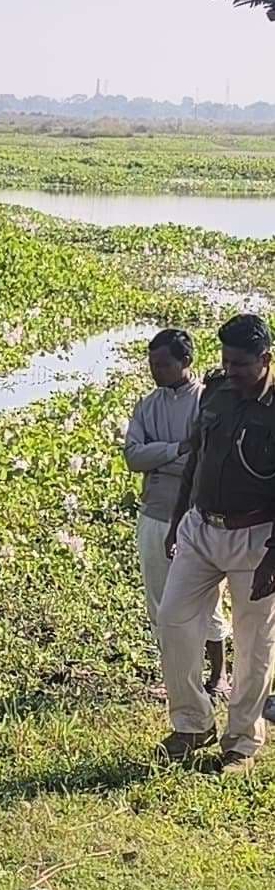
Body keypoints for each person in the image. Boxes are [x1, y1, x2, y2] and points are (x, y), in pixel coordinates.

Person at [159, 313, 275, 771]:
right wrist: (176, 520)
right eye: (226, 362)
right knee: (173, 619)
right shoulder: (216, 392)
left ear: (266, 360)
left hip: (258, 537)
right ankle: (192, 723)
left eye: (242, 364)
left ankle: (242, 741)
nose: (233, 372)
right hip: (201, 528)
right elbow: (196, 460)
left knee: (255, 643)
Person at [126, 328, 223, 698]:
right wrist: (179, 449)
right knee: (160, 600)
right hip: (154, 511)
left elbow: (202, 461)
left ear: (186, 362)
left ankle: (218, 674)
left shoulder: (206, 402)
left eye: (163, 364)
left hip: (197, 514)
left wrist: (162, 454)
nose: (156, 371)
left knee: (205, 597)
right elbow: (134, 457)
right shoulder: (147, 405)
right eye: (152, 364)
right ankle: (177, 679)